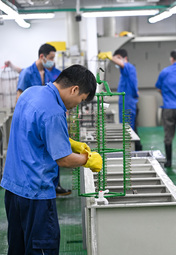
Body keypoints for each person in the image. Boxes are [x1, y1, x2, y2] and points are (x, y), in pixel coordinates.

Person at [0, 64, 102, 254]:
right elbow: (63, 160)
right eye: (80, 100)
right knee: (42, 248)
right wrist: (87, 159)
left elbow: (34, 132)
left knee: (18, 247)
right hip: (36, 194)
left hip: (13, 189)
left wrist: (69, 142)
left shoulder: (30, 93)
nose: (75, 106)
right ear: (74, 89)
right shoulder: (54, 112)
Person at [9, 44, 70, 196]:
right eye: (50, 58)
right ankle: (35, 185)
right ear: (42, 57)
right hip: (33, 121)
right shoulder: (27, 73)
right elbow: (20, 96)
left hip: (47, 120)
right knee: (36, 154)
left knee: (53, 152)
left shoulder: (49, 73)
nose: (52, 61)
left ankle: (54, 184)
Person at [98, 49, 142, 150]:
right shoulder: (125, 73)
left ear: (124, 58)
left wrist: (110, 57)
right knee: (130, 128)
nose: (115, 61)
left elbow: (122, 64)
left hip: (128, 103)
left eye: (118, 58)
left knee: (128, 129)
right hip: (126, 102)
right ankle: (136, 149)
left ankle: (132, 151)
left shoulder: (129, 67)